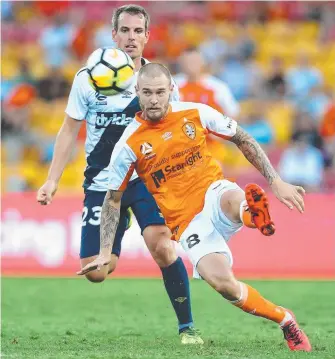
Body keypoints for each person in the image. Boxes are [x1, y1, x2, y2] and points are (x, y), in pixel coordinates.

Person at [79, 63, 312, 352]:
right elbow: (113, 198)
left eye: (160, 92)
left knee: (231, 198)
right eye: (147, 92)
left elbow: (242, 137)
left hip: (213, 191)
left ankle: (253, 214)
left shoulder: (195, 112)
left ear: (171, 91)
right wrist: (104, 251)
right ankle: (286, 320)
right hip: (187, 223)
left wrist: (275, 181)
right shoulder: (129, 144)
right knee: (224, 285)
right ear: (137, 93)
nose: (154, 99)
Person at [36, 5, 203, 345]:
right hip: (101, 181)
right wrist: (52, 179)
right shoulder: (87, 78)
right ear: (113, 35)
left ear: (147, 36)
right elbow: (68, 130)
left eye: (137, 31)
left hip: (146, 179)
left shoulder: (158, 81)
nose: (131, 37)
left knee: (162, 247)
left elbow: (177, 131)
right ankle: (118, 226)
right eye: (124, 31)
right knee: (96, 272)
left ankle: (187, 328)